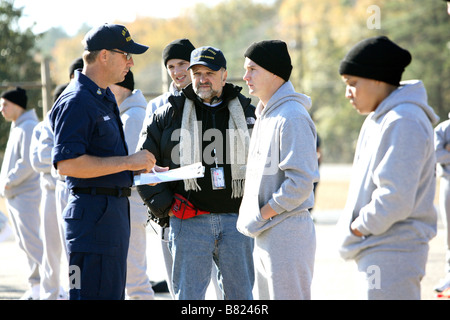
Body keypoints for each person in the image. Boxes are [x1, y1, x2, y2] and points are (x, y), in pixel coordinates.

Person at [137, 46, 256, 300]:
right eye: (197, 72)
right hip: (189, 224)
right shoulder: (169, 113)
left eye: (209, 72)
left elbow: (265, 163)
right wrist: (166, 207)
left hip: (236, 224)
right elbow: (142, 165)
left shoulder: (247, 112)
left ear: (224, 75)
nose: (202, 79)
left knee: (241, 298)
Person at [49, 23, 157, 300]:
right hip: (93, 217)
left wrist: (137, 165)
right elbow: (67, 165)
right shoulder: (77, 100)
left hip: (112, 215)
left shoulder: (103, 95)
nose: (131, 63)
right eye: (126, 55)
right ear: (105, 56)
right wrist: (127, 162)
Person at [337, 36, 439, 300]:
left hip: (393, 252)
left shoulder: (404, 119)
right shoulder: (381, 118)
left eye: (353, 83)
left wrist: (358, 227)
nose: (348, 92)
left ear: (378, 78)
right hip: (378, 248)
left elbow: (395, 197)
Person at [238, 40, 319, 300]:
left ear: (274, 72)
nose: (245, 76)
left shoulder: (291, 116)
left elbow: (300, 183)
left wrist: (261, 215)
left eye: (253, 69)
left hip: (286, 232)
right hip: (267, 232)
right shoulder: (267, 114)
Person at [109, 70, 155, 300]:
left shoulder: (133, 116)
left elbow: (126, 162)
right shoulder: (124, 113)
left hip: (131, 203)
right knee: (127, 276)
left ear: (121, 85)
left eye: (109, 85)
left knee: (135, 279)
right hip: (125, 203)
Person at [0, 87, 43, 300]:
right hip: (17, 195)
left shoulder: (28, 127)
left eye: (5, 104)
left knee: (32, 242)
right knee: (25, 243)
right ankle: (36, 288)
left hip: (27, 194)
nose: (2, 109)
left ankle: (51, 286)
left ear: (17, 104)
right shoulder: (19, 126)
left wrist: (7, 182)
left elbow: (26, 163)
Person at [434, 112, 450, 293]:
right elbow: (437, 154)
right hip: (448, 181)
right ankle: (449, 275)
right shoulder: (443, 128)